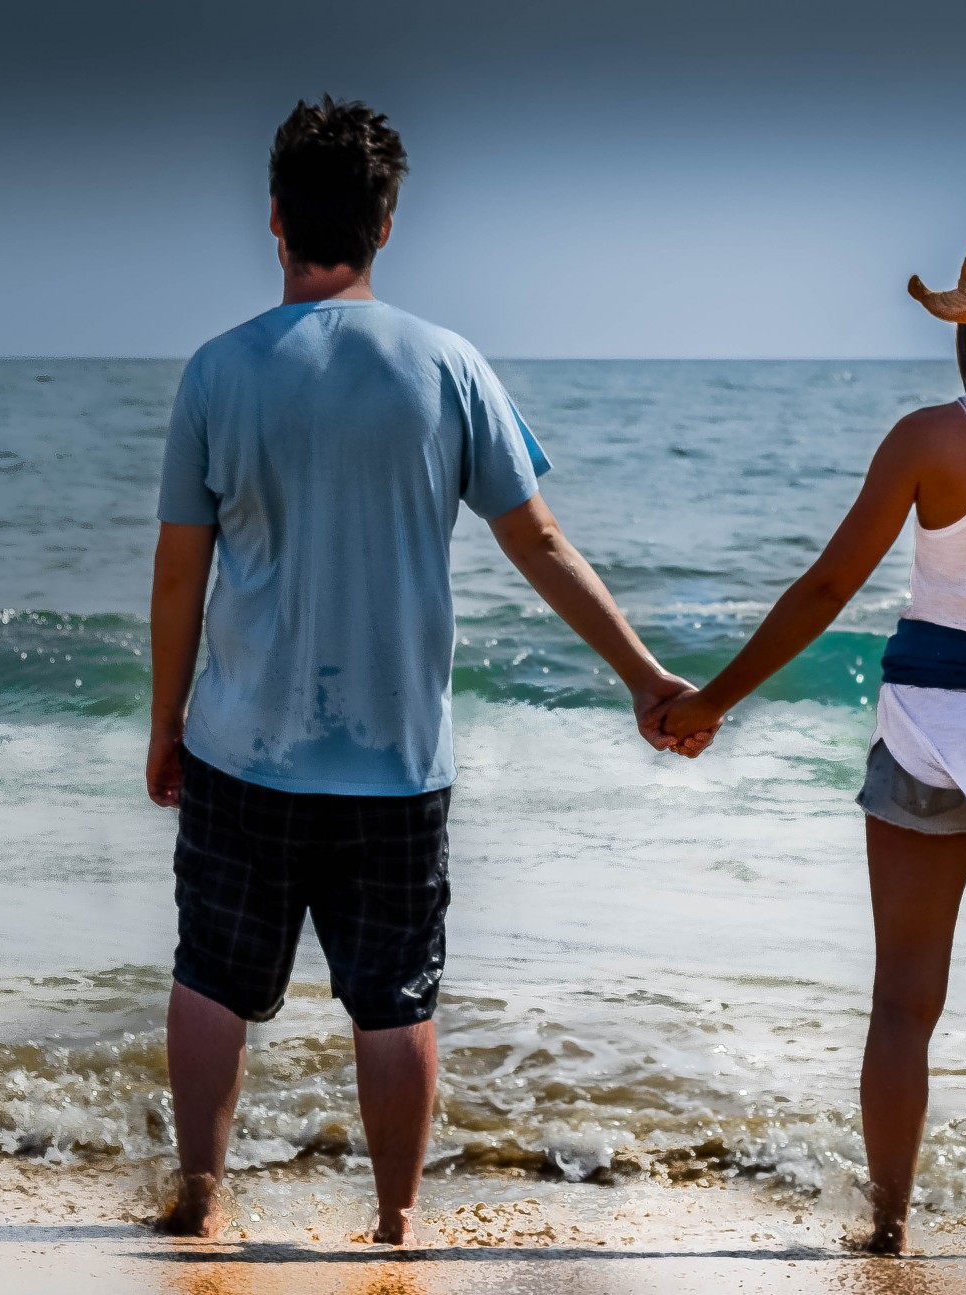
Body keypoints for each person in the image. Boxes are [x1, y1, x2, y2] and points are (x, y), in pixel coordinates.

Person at [144, 96, 711, 1243]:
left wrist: (166, 723)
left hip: (242, 745)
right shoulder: (448, 366)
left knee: (212, 977)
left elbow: (177, 577)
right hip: (397, 758)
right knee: (393, 997)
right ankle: (398, 1220)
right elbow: (540, 542)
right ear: (388, 223)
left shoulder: (216, 372)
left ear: (274, 219)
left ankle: (201, 1196)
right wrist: (647, 678)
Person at [659, 215, 966, 1255]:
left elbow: (828, 586)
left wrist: (715, 698)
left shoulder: (932, 439)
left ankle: (887, 1224)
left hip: (930, 732)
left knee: (904, 999)